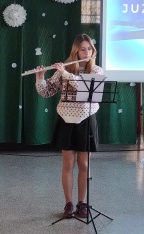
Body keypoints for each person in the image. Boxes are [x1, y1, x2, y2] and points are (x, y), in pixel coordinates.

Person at [34, 34, 103, 219]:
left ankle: (82, 203)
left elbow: (83, 88)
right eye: (82, 49)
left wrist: (65, 74)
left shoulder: (96, 70)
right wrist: (40, 78)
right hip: (66, 119)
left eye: (89, 49)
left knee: (84, 164)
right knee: (68, 164)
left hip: (86, 119)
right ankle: (69, 203)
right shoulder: (64, 68)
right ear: (76, 51)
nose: (86, 52)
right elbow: (46, 91)